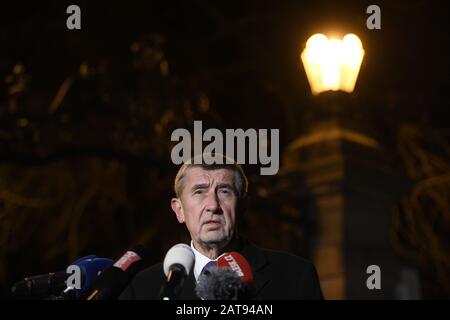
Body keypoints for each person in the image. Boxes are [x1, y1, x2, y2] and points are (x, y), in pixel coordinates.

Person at [119, 156, 323, 300]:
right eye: (199, 192)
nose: (213, 205)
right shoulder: (143, 287)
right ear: (179, 210)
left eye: (224, 191)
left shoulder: (295, 276)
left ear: (243, 207)